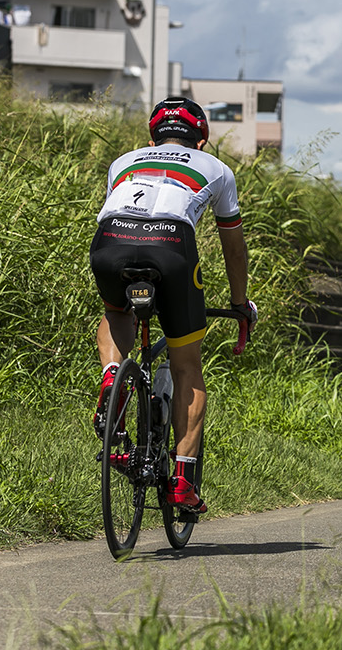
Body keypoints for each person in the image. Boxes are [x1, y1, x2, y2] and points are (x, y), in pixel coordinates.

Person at [89, 97, 256, 514]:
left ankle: (113, 378)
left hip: (111, 241)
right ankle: (181, 481)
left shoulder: (123, 160)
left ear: (152, 137)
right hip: (171, 245)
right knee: (186, 366)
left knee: (116, 312)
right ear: (201, 140)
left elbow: (123, 207)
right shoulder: (217, 169)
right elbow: (233, 248)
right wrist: (240, 304)